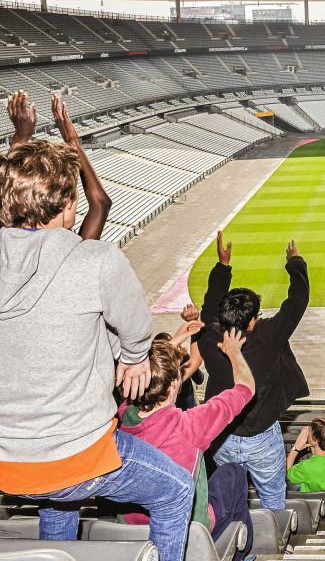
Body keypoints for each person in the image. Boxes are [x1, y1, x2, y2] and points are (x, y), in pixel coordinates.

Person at [0, 139, 193, 561]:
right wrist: (135, 355)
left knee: (58, 499)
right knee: (178, 489)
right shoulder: (97, 260)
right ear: (69, 205)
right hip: (75, 458)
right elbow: (137, 327)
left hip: (6, 463)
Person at [117, 327, 255, 561]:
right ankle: (243, 550)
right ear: (173, 384)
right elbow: (246, 388)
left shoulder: (122, 418)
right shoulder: (191, 424)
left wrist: (173, 343)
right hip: (190, 529)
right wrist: (233, 351)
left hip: (132, 530)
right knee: (234, 472)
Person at [196, 231, 310, 510]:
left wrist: (223, 267)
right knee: (273, 496)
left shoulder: (210, 337)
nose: (260, 319)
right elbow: (298, 300)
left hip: (221, 437)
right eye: (256, 316)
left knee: (231, 494)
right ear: (249, 323)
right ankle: (276, 544)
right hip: (261, 438)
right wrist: (295, 263)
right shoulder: (268, 336)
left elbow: (209, 307)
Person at [6, 91, 112, 240]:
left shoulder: (6, 239)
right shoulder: (75, 255)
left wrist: (21, 137)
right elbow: (101, 203)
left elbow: (7, 190)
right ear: (66, 204)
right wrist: (73, 142)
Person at [286, 416, 325, 501]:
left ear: (316, 440)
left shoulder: (306, 466)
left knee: (287, 483)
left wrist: (296, 447)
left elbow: (288, 474)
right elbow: (319, 452)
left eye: (309, 431)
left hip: (313, 500)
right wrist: (313, 443)